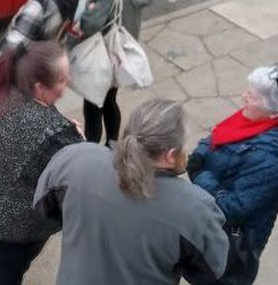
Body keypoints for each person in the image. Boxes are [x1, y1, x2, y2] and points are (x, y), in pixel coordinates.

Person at [34, 99, 229, 285]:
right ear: (170, 155)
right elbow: (211, 272)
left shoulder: (75, 157)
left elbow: (44, 208)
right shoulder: (195, 209)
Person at [0, 41, 84, 285]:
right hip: (17, 220)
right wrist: (77, 136)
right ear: (39, 86)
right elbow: (75, 168)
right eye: (62, 80)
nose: (67, 84)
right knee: (8, 267)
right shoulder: (53, 132)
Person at [188, 64, 278, 284]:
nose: (243, 98)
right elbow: (218, 136)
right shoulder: (255, 118)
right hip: (210, 217)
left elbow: (235, 209)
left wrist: (200, 175)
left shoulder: (271, 161)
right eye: (248, 92)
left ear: (276, 113)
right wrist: (200, 153)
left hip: (231, 242)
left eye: (253, 97)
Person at [77, 0, 161, 147]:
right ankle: (113, 142)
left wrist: (89, 10)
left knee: (93, 104)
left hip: (103, 55)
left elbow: (90, 24)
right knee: (110, 100)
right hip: (120, 53)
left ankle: (92, 147)